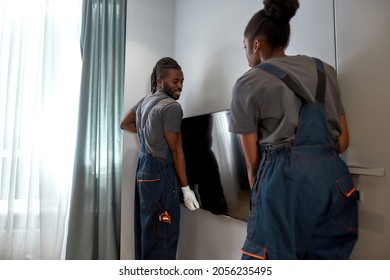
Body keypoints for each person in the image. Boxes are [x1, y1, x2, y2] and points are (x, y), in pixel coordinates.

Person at [229, 0, 358, 259]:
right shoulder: (326, 71)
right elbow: (343, 140)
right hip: (335, 182)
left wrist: (262, 203)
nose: (246, 56)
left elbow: (253, 163)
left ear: (256, 44)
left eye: (245, 47)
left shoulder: (248, 83)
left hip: (284, 185)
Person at [120, 57, 199, 260]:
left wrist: (150, 133)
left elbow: (125, 123)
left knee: (148, 232)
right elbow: (176, 151)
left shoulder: (146, 101)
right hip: (161, 174)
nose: (180, 85)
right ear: (160, 82)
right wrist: (186, 189)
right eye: (175, 81)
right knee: (163, 237)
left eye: (182, 81)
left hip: (144, 171)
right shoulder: (171, 107)